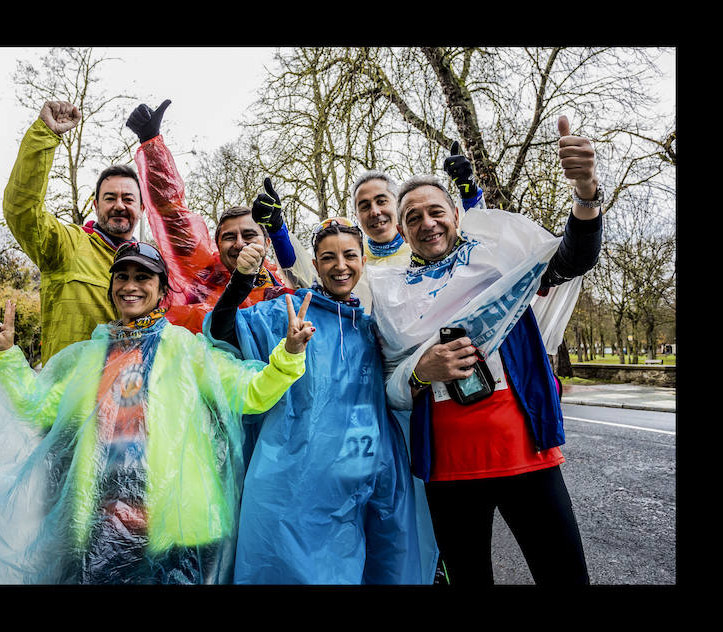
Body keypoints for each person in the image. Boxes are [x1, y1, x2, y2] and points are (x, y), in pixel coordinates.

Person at [0, 241, 315, 584]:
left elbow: (248, 393)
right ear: (112, 288)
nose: (131, 285)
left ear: (163, 291)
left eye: (143, 277)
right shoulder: (91, 356)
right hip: (102, 525)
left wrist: (289, 356)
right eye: (123, 277)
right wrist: (8, 355)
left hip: (181, 527)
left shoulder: (187, 349)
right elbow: (39, 405)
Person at [366, 115, 602, 585]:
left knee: (566, 576)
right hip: (448, 471)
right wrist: (420, 370)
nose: (427, 223)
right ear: (403, 230)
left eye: (436, 211)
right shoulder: (389, 296)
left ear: (456, 215)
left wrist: (586, 192)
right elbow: (387, 385)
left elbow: (573, 258)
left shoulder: (502, 261)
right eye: (413, 217)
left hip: (526, 454)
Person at [203, 219, 423, 584]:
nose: (341, 266)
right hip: (295, 483)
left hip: (364, 477)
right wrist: (241, 280)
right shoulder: (288, 312)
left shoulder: (371, 327)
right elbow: (220, 330)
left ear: (363, 261)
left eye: (350, 255)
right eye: (328, 257)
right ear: (316, 265)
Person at [124, 100, 292, 334]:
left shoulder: (283, 287)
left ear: (267, 242)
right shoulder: (203, 273)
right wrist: (151, 143)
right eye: (230, 237)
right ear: (217, 244)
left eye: (249, 235)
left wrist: (279, 228)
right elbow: (171, 213)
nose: (240, 243)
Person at [259, 141, 486, 311]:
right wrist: (278, 231)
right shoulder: (352, 260)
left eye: (381, 201)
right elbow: (304, 277)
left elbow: (476, 241)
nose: (375, 211)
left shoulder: (426, 247)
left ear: (397, 205)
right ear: (357, 216)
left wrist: (469, 191)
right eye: (365, 206)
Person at [3, 100, 145, 363]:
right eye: (109, 198)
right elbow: (21, 210)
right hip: (67, 400)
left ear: (142, 207)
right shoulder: (66, 246)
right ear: (95, 204)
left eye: (128, 198)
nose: (119, 206)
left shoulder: (151, 266)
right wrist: (45, 136)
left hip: (129, 397)